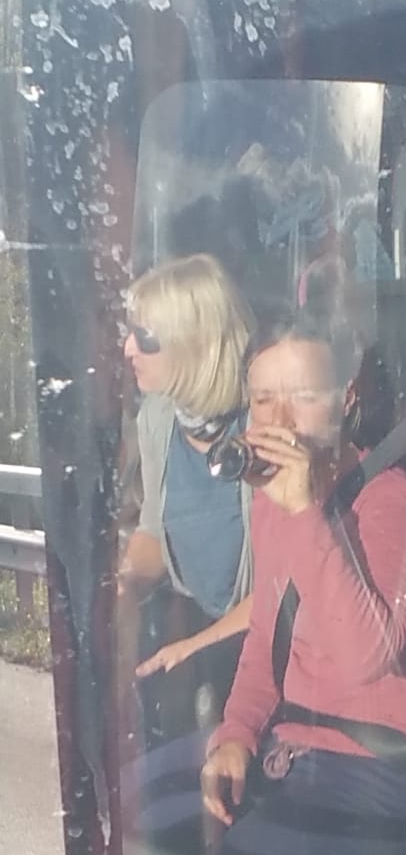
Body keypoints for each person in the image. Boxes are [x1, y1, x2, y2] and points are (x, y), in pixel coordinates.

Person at [197, 308, 406, 855]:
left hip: (396, 766)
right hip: (305, 747)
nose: (279, 419)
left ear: (346, 399)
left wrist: (304, 512)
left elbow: (367, 655)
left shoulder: (392, 503)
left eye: (303, 396)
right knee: (147, 811)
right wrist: (235, 735)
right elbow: (269, 637)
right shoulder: (274, 501)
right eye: (263, 400)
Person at [118, 252, 257, 734]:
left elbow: (287, 582)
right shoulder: (157, 419)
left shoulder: (263, 423)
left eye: (144, 338)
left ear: (194, 343)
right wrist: (120, 588)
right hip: (206, 644)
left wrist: (194, 648)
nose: (127, 349)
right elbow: (157, 530)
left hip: (273, 649)